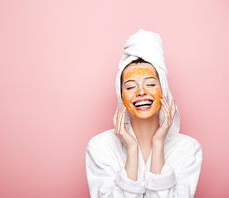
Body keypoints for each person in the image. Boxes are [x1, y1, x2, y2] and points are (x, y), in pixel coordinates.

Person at [85, 29, 203, 198]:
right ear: (121, 96)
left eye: (150, 84)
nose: (141, 92)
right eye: (131, 87)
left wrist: (158, 145)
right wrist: (132, 150)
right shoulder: (100, 147)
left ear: (164, 92)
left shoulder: (187, 149)